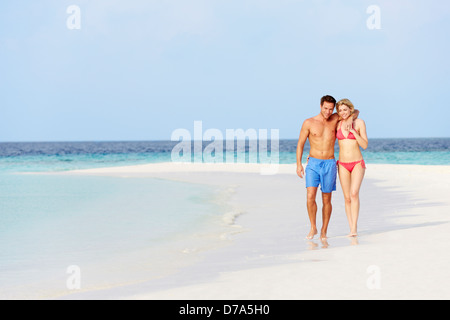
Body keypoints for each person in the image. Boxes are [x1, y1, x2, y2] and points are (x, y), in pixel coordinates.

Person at [296, 95, 359, 240]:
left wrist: (349, 118)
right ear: (320, 106)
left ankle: (324, 230)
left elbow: (355, 111)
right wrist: (298, 164)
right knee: (310, 196)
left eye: (331, 109)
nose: (328, 112)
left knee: (326, 199)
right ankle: (313, 227)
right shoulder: (309, 122)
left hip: (329, 163)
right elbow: (300, 144)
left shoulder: (336, 118)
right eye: (325, 108)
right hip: (313, 163)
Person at [335, 99, 368, 237]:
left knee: (354, 193)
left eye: (345, 110)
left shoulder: (359, 123)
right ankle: (351, 227)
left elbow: (365, 145)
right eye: (340, 110)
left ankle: (354, 228)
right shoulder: (337, 123)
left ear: (350, 109)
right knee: (347, 198)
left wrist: (354, 132)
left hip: (356, 163)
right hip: (342, 164)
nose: (343, 112)